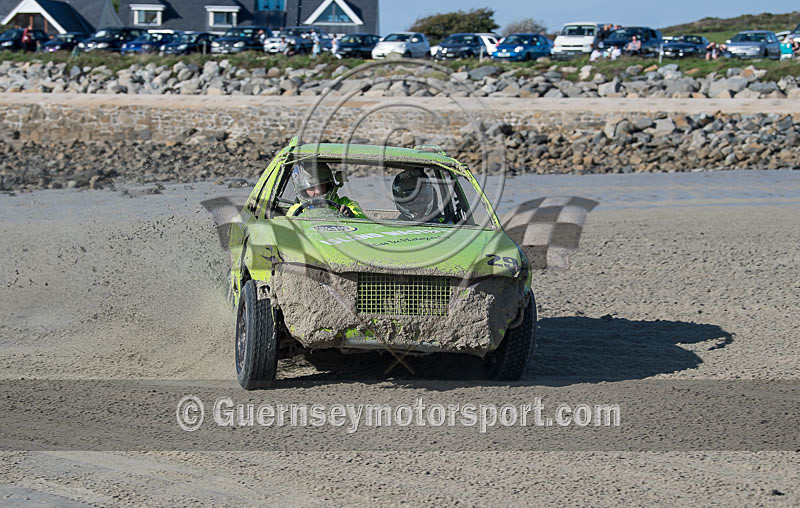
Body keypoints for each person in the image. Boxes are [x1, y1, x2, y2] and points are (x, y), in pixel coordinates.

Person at [287, 161, 365, 218]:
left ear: (329, 185)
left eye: (321, 186)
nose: (318, 191)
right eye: (311, 188)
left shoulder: (346, 204)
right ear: (303, 191)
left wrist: (352, 217)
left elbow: (365, 222)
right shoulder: (295, 210)